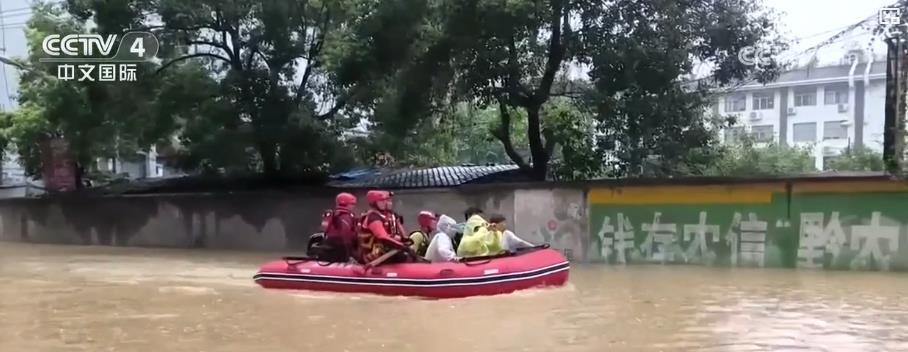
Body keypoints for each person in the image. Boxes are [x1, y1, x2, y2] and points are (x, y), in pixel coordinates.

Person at [356, 190, 410, 265]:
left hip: (382, 250)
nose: (385, 203)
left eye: (385, 200)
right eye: (381, 201)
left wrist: (402, 240)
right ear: (374, 203)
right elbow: (382, 237)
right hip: (372, 255)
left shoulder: (383, 215)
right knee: (403, 256)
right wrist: (400, 245)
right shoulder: (373, 218)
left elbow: (388, 235)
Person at [309, 192, 359, 262]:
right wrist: (349, 254)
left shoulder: (331, 214)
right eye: (352, 204)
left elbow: (322, 230)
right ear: (345, 204)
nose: (353, 206)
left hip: (327, 245)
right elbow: (345, 236)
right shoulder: (345, 216)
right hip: (340, 249)